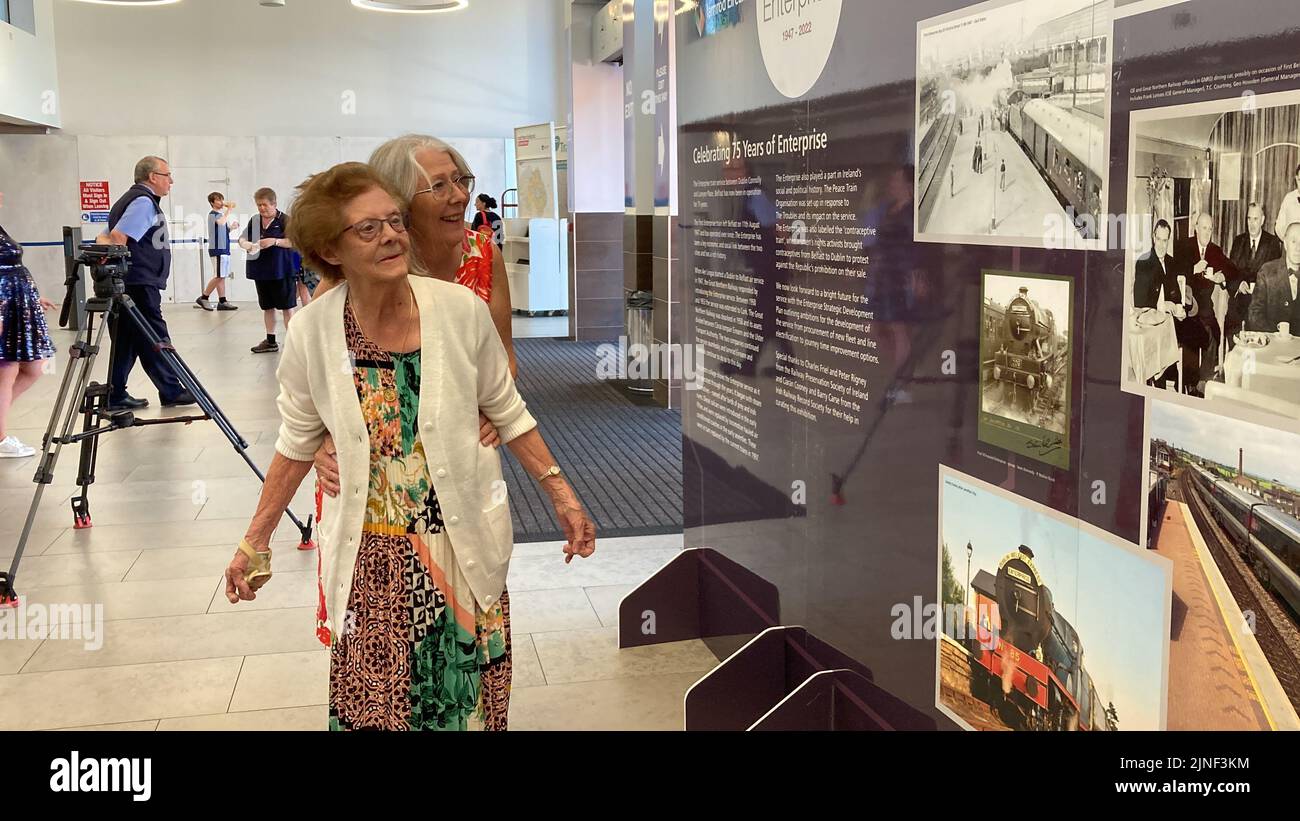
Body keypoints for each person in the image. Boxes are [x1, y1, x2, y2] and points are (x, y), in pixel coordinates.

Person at [223, 162, 596, 731]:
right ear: (331, 248)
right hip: (369, 562)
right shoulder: (312, 331)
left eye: (394, 221)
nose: (392, 235)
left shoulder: (458, 310)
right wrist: (255, 540)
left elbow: (509, 411)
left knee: (463, 711)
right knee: (376, 712)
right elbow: (295, 442)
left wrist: (562, 494)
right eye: (368, 229)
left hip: (460, 553)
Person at [313, 134, 516, 496]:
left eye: (460, 180)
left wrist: (494, 414)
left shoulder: (483, 256)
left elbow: (504, 359)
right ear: (400, 203)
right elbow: (308, 374)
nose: (459, 195)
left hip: (458, 457)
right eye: (438, 186)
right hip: (367, 470)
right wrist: (314, 441)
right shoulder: (354, 272)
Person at [98, 156, 196, 411]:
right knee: (155, 335)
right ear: (153, 177)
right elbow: (118, 236)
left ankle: (115, 393)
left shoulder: (129, 199)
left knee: (126, 341)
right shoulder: (143, 201)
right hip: (139, 282)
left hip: (131, 281)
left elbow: (104, 235)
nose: (171, 181)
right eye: (167, 175)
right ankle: (172, 391)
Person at [0, 192, 57, 458]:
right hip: (4, 308)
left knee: (34, 366)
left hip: (17, 303)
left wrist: (32, 298)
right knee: (7, 369)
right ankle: (0, 438)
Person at [1134, 219, 1204, 391]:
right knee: (1166, 341)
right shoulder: (1144, 263)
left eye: (1165, 240)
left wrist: (1181, 308)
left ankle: (1188, 384)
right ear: (1153, 237)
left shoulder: (1172, 262)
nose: (1162, 245)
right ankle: (1164, 385)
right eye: (1159, 239)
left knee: (1198, 331)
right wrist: (1162, 305)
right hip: (1156, 320)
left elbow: (1179, 294)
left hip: (1173, 318)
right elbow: (1140, 301)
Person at [1174, 212, 1238, 384]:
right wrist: (1193, 269)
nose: (1207, 233)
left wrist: (1222, 276)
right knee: (1194, 336)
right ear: (1196, 228)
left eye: (1210, 229)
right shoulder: (1183, 246)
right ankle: (1191, 383)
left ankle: (1204, 381)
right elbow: (1174, 273)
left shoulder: (1214, 251)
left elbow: (1233, 269)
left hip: (1205, 309)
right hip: (1186, 308)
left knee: (1215, 333)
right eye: (1203, 228)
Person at [239, 188, 297, 353]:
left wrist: (275, 241)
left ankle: (293, 342)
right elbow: (242, 238)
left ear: (274, 203)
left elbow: (295, 241)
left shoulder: (285, 220)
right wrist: (246, 244)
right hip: (261, 271)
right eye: (259, 205)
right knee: (267, 307)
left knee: (287, 307)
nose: (262, 208)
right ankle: (271, 340)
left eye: (265, 205)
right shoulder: (255, 220)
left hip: (282, 270)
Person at [1226, 202, 1283, 349]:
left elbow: (1277, 277)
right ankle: (1236, 364)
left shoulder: (1272, 243)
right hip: (1240, 301)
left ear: (1263, 220)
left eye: (1255, 219)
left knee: (1259, 341)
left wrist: (1260, 288)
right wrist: (1239, 284)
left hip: (1262, 303)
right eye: (1249, 219)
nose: (1251, 224)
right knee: (1231, 326)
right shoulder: (1239, 241)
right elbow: (1230, 271)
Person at [1247, 221, 1300, 333]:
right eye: (1294, 241)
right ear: (1285, 244)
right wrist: (1275, 336)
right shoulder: (1267, 272)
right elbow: (1254, 315)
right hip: (1273, 345)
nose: (1298, 248)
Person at [196, 192, 239, 311]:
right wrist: (229, 210)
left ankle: (222, 301)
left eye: (222, 200)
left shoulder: (220, 215)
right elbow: (221, 223)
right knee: (219, 275)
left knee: (222, 276)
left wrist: (232, 227)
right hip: (218, 249)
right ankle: (204, 297)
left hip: (224, 248)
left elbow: (222, 230)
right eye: (218, 200)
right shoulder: (213, 214)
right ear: (212, 203)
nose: (221, 202)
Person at [1274, 164, 1300, 240]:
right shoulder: (1289, 198)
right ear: (1296, 179)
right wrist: (1288, 242)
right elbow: (1279, 226)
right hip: (1291, 247)